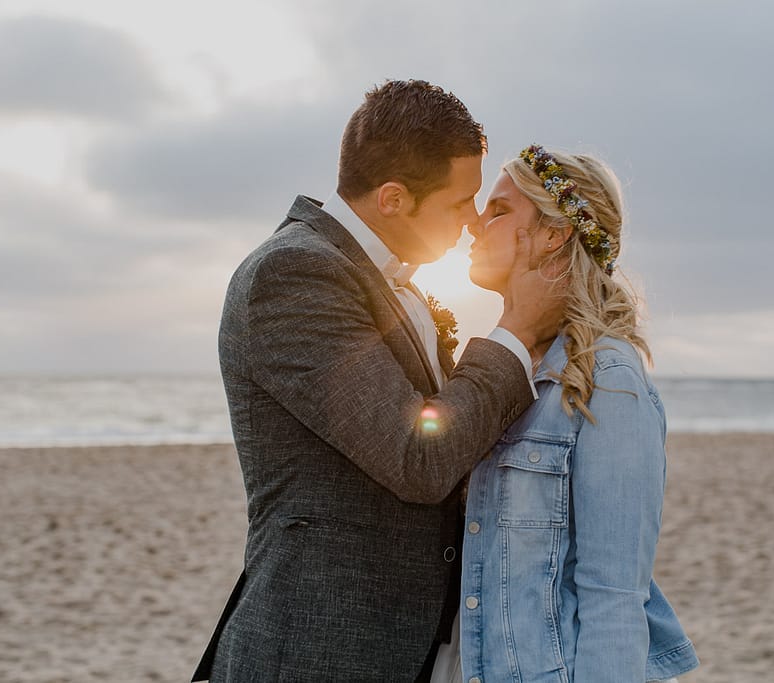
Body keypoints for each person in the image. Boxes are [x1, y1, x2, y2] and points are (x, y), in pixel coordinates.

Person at [191, 83, 564, 682]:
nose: (471, 221)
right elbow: (418, 455)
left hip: (399, 647)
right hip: (321, 650)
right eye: (459, 201)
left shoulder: (394, 283)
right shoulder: (293, 274)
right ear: (393, 198)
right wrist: (517, 331)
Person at [450, 146, 700, 682]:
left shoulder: (606, 383)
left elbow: (615, 600)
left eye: (498, 210)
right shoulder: (504, 370)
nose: (474, 223)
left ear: (553, 234)